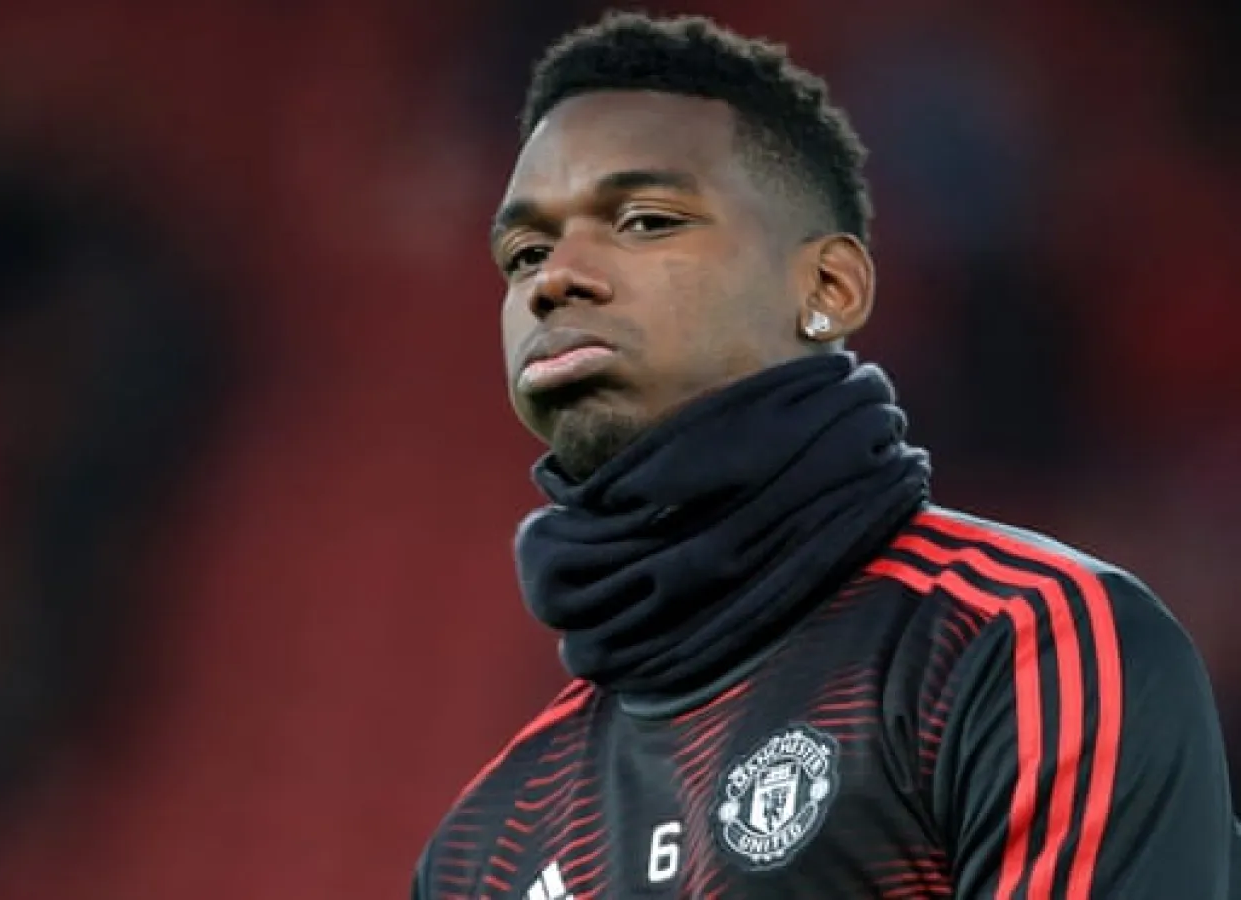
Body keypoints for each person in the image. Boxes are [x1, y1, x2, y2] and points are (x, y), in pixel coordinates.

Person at [411, 12, 1238, 900]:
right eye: (524, 250)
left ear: (828, 289)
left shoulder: (1023, 648)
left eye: (646, 220)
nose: (554, 278)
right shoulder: (481, 848)